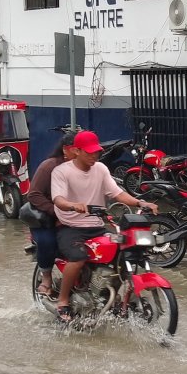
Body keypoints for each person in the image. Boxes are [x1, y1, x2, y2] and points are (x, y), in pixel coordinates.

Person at [51, 130, 158, 322]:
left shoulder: (100, 169)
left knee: (124, 250)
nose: (94, 156)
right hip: (70, 227)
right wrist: (73, 205)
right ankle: (63, 301)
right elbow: (58, 199)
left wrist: (140, 203)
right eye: (89, 152)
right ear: (76, 151)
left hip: (97, 226)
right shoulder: (61, 172)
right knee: (78, 258)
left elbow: (118, 194)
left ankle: (113, 297)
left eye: (97, 152)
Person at [28, 133, 77, 297]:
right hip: (47, 219)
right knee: (47, 241)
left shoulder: (89, 168)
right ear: (65, 150)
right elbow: (34, 195)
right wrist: (56, 212)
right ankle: (46, 277)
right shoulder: (49, 166)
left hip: (75, 217)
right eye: (77, 150)